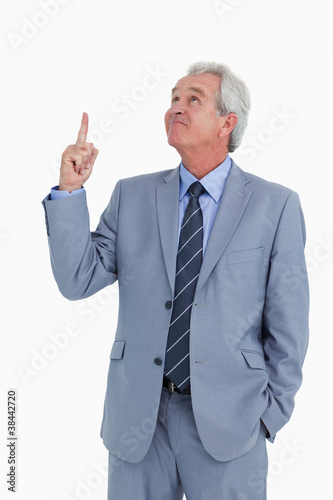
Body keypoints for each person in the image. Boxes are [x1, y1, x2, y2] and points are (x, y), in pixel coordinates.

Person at [42, 61, 309, 499]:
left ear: (228, 123)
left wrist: (269, 415)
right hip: (139, 422)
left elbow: (289, 324)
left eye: (193, 99)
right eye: (173, 98)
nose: (176, 108)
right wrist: (69, 191)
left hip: (231, 423)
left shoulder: (274, 206)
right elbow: (77, 279)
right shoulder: (133, 196)